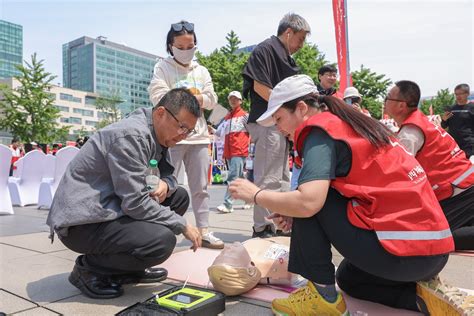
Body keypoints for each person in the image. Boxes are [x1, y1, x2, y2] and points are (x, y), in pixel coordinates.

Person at [229, 75, 469, 315]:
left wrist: (257, 194)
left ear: (301, 108)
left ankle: (321, 299)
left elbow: (309, 202)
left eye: (279, 119)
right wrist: (295, 213)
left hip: (406, 254)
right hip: (430, 255)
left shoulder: (318, 131)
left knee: (309, 197)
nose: (279, 129)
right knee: (349, 278)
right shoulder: (351, 124)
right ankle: (421, 297)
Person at [46, 89, 202, 299]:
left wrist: (166, 183)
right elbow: (136, 203)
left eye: (189, 131)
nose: (183, 135)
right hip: (84, 221)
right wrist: (182, 224)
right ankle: (89, 269)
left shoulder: (159, 135)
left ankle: (128, 269)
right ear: (160, 113)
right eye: (182, 127)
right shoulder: (131, 136)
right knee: (161, 241)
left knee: (179, 197)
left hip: (113, 206)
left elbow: (170, 176)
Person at [148, 21, 223, 249]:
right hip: (173, 136)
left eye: (190, 46)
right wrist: (191, 97)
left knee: (200, 187)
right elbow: (158, 95)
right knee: (166, 185)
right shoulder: (162, 68)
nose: (186, 50)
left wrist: (195, 98)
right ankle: (161, 230)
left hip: (199, 137)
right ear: (171, 46)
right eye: (180, 46)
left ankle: (204, 230)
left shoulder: (201, 70)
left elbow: (212, 98)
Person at [242, 12, 310, 238]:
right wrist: (282, 111)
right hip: (268, 120)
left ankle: (280, 223)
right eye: (300, 38)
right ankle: (262, 226)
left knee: (282, 177)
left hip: (281, 122)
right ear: (288, 32)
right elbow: (260, 85)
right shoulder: (266, 49)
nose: (302, 45)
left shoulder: (285, 57)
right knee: (268, 176)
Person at [384, 80, 474, 250]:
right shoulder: (420, 122)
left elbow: (400, 175)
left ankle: (427, 276)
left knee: (434, 237)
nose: (385, 102)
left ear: (401, 105)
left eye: (388, 98)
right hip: (464, 184)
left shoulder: (410, 133)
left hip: (459, 190)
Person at [216, 91, 250, 213]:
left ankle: (228, 204)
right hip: (229, 151)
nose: (233, 101)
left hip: (239, 150)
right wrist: (211, 129)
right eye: (231, 99)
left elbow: (253, 131)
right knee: (239, 177)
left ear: (240, 101)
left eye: (236, 99)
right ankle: (249, 199)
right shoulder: (227, 117)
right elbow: (219, 132)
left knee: (233, 177)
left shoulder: (245, 115)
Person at [441, 83, 474, 159]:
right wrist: (444, 120)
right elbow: (444, 126)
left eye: (460, 94)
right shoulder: (451, 109)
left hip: (470, 145)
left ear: (467, 94)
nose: (458, 96)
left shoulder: (472, 108)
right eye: (456, 94)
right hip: (454, 146)